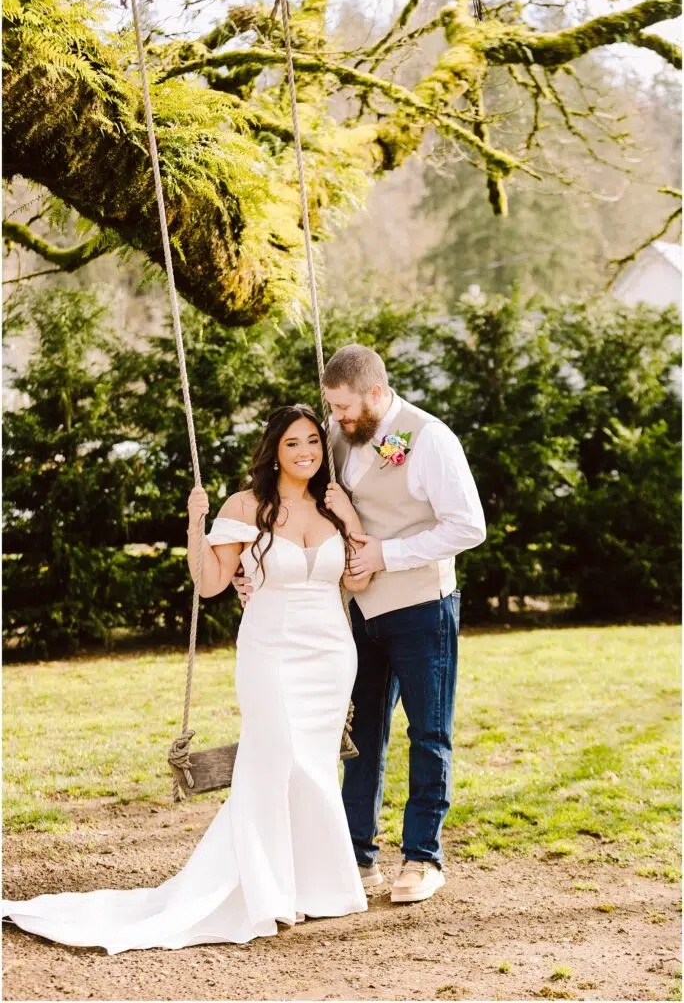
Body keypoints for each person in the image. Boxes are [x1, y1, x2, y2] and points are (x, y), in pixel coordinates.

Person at [2, 404, 369, 953]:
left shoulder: (333, 505)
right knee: (276, 761)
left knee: (312, 766)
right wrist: (195, 524)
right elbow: (211, 583)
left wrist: (353, 519)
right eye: (293, 443)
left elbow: (358, 580)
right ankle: (262, 890)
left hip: (331, 655)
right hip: (271, 650)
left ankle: (317, 887)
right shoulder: (246, 506)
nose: (306, 453)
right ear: (274, 450)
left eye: (313, 441)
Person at [235, 347, 486, 905]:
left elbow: (469, 526)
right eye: (332, 408)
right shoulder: (337, 433)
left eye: (345, 408)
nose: (337, 419)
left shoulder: (430, 439)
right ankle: (356, 854)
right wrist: (248, 566)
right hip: (354, 615)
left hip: (423, 607)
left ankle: (423, 857)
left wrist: (387, 555)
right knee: (360, 734)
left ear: (375, 393)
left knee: (429, 733)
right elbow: (295, 499)